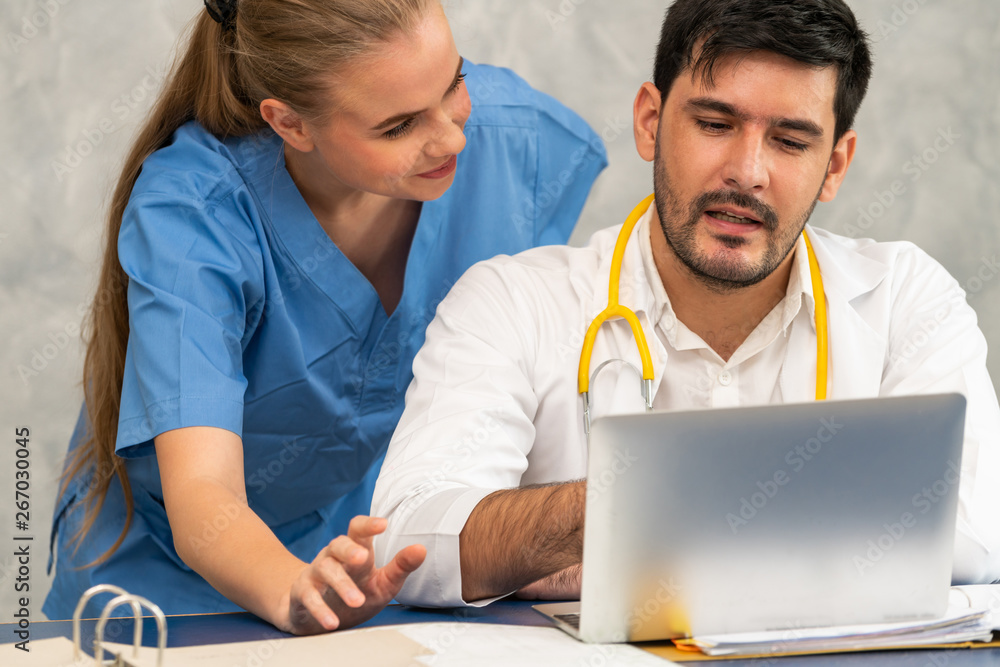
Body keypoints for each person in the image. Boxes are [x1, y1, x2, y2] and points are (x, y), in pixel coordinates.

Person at [371, 0, 1000, 608]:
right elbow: (409, 542)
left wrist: (622, 551)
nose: (747, 171)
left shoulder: (906, 301)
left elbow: (973, 540)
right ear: (650, 122)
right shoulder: (512, 301)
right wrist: (614, 507)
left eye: (790, 141)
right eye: (715, 124)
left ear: (834, 166)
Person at [43, 0, 607, 633]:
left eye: (455, 83)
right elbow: (204, 497)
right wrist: (295, 587)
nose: (452, 137)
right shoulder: (195, 214)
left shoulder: (516, 142)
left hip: (359, 551)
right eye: (398, 127)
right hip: (164, 571)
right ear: (290, 123)